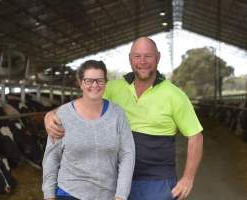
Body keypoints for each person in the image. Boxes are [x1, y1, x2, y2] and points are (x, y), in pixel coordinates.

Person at [44, 37, 203, 200]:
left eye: (148, 56)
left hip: (155, 181)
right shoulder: (114, 88)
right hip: (113, 179)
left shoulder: (175, 95)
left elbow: (195, 136)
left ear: (158, 57)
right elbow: (84, 103)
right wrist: (52, 114)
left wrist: (188, 179)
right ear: (130, 59)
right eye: (137, 56)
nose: (142, 61)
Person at [42, 60, 135, 200]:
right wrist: (49, 195)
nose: (95, 85)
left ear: (105, 83)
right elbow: (51, 157)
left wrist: (121, 195)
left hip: (107, 194)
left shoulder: (117, 114)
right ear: (80, 82)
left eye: (100, 80)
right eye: (89, 81)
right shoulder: (63, 115)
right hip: (68, 193)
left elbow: (127, 155)